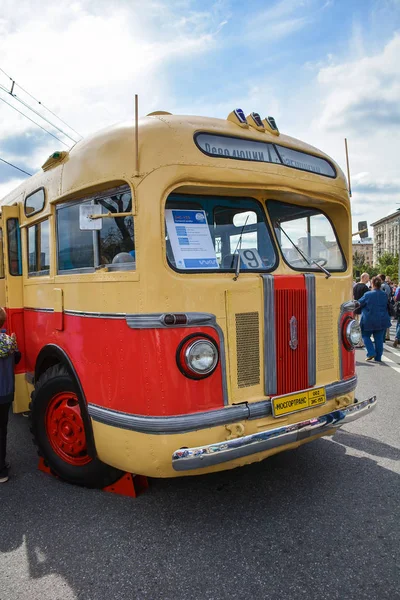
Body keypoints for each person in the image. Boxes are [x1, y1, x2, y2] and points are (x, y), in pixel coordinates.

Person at [0, 308, 21, 483]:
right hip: (5, 393)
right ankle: (1, 471)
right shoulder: (10, 341)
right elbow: (17, 359)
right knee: (2, 430)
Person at [358, 277, 391, 362]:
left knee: (365, 336)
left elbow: (359, 303)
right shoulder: (384, 294)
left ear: (372, 284)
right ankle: (378, 357)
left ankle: (371, 352)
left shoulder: (367, 294)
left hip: (369, 320)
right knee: (379, 339)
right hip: (382, 320)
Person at [353, 273, 369, 347]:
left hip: (355, 308)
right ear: (364, 278)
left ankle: (355, 341)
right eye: (367, 278)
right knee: (360, 327)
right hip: (362, 310)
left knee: (355, 326)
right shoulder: (365, 287)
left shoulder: (355, 286)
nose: (368, 279)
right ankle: (360, 342)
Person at [378, 274, 392, 340]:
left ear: (381, 279)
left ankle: (382, 338)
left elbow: (386, 296)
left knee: (382, 321)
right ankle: (384, 337)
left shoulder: (383, 286)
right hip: (384, 305)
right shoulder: (386, 285)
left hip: (383, 305)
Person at [393, 284, 400, 348]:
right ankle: (397, 337)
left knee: (398, 322)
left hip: (399, 307)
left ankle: (397, 337)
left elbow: (396, 298)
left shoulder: (399, 289)